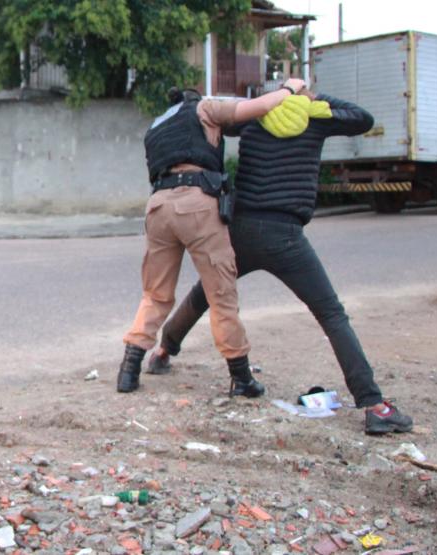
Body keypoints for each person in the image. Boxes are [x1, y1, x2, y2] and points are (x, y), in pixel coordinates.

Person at [146, 87, 414, 435]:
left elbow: (223, 120)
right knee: (331, 313)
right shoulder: (315, 119)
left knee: (206, 293)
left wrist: (268, 100)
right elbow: (363, 119)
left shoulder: (253, 120)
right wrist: (318, 98)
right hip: (286, 234)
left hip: (242, 229)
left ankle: (163, 352)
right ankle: (374, 405)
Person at [117, 78, 307, 396]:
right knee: (221, 295)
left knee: (155, 295)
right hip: (197, 204)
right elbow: (258, 107)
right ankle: (242, 379)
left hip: (157, 207)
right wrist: (288, 89)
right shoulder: (204, 109)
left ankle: (128, 371)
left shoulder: (157, 126)